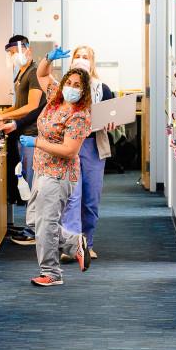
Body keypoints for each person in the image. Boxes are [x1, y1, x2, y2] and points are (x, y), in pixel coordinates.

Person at [19, 46, 93, 287]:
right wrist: (48, 59)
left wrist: (37, 142)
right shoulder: (54, 100)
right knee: (34, 222)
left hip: (60, 175)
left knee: (46, 224)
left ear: (84, 91)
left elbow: (70, 150)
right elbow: (41, 75)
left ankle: (51, 273)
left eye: (77, 85)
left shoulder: (80, 115)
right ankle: (74, 243)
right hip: (42, 170)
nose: (72, 87)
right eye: (69, 82)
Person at [60, 45, 115, 262]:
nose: (81, 60)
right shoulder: (65, 88)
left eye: (86, 57)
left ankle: (87, 243)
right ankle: (72, 247)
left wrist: (112, 123)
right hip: (70, 146)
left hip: (93, 146)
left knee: (91, 199)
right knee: (72, 197)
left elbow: (113, 115)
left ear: (92, 62)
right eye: (78, 56)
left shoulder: (103, 88)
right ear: (71, 60)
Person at [0, 35, 47, 245]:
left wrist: (5, 116)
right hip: (21, 133)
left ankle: (34, 230)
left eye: (14, 52)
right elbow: (18, 105)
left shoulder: (33, 73)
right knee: (26, 180)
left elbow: (32, 106)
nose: (12, 57)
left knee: (34, 184)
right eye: (10, 54)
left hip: (32, 134)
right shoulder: (20, 74)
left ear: (27, 50)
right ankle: (31, 225)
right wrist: (0, 115)